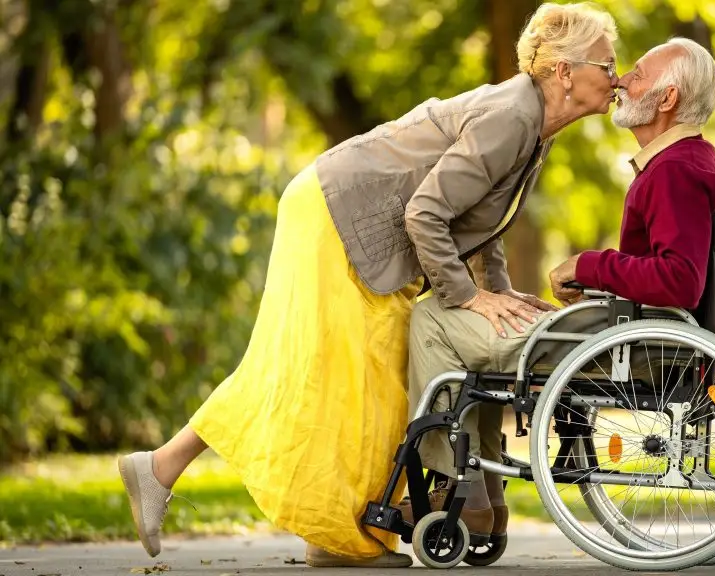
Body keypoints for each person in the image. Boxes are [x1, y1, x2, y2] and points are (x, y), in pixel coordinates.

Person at [115, 2, 619, 568]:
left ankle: (176, 474)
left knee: (326, 371)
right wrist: (470, 296)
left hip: (348, 217)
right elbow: (427, 211)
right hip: (340, 220)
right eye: (607, 61)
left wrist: (497, 290)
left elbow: (475, 218)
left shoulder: (531, 123)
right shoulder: (513, 118)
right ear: (564, 71)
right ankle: (333, 536)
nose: (617, 75)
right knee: (371, 374)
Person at [402, 37, 715, 543]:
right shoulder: (700, 164)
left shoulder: (674, 172)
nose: (622, 81)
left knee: (435, 316)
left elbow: (680, 279)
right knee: (481, 323)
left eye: (637, 73)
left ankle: (461, 488)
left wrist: (591, 266)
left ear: (667, 99)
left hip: (632, 347)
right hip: (637, 334)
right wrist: (596, 298)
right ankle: (484, 497)